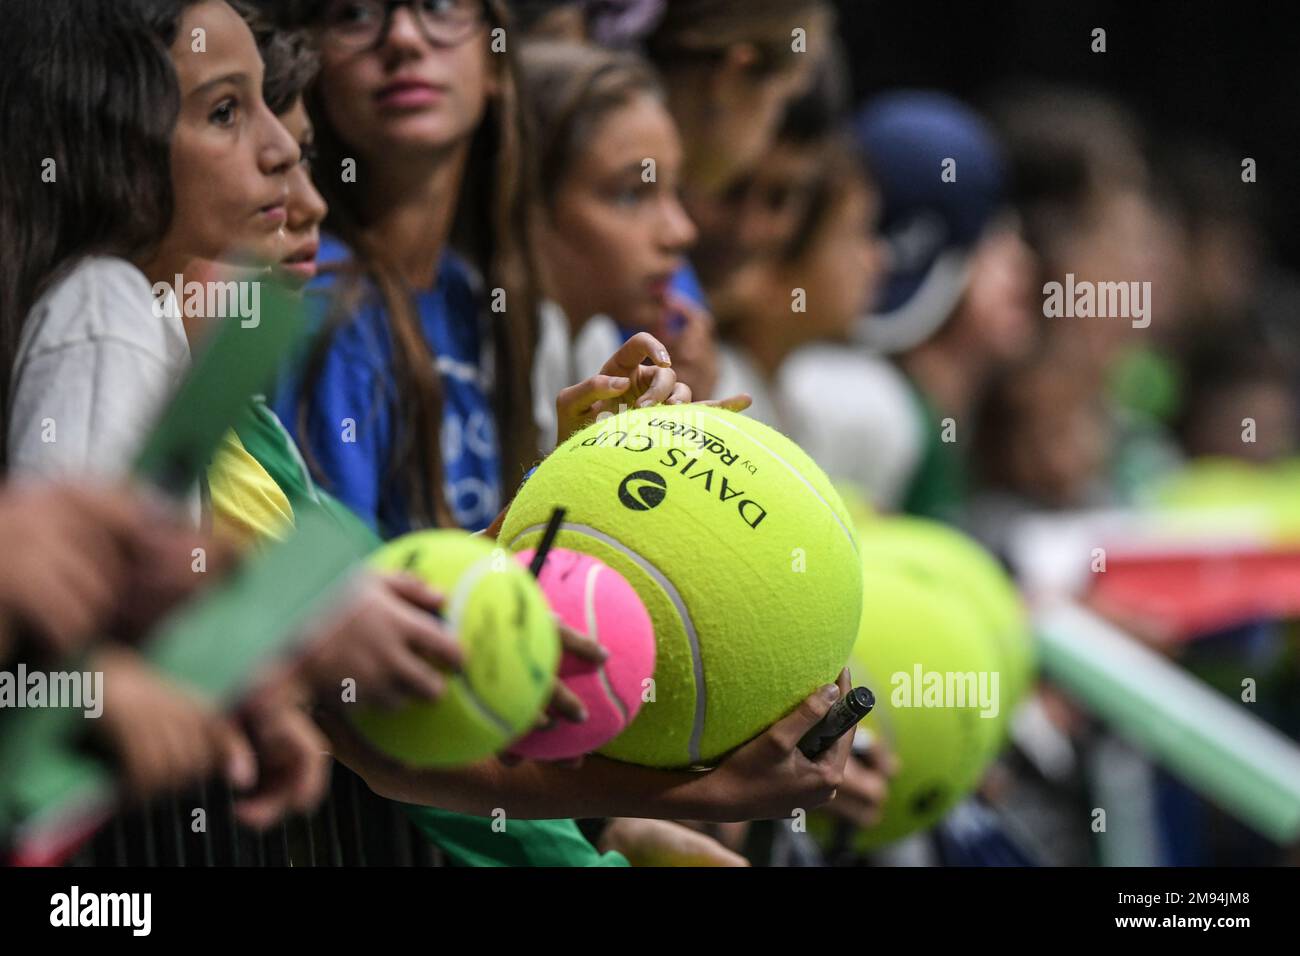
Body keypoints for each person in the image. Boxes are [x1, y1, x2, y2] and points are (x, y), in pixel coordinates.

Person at [277, 0, 861, 865]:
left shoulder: (495, 313)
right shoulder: (304, 314)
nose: (681, 231)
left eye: (442, 8)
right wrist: (666, 797)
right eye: (629, 191)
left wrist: (562, 481)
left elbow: (494, 629)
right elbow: (367, 689)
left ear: (495, 54)